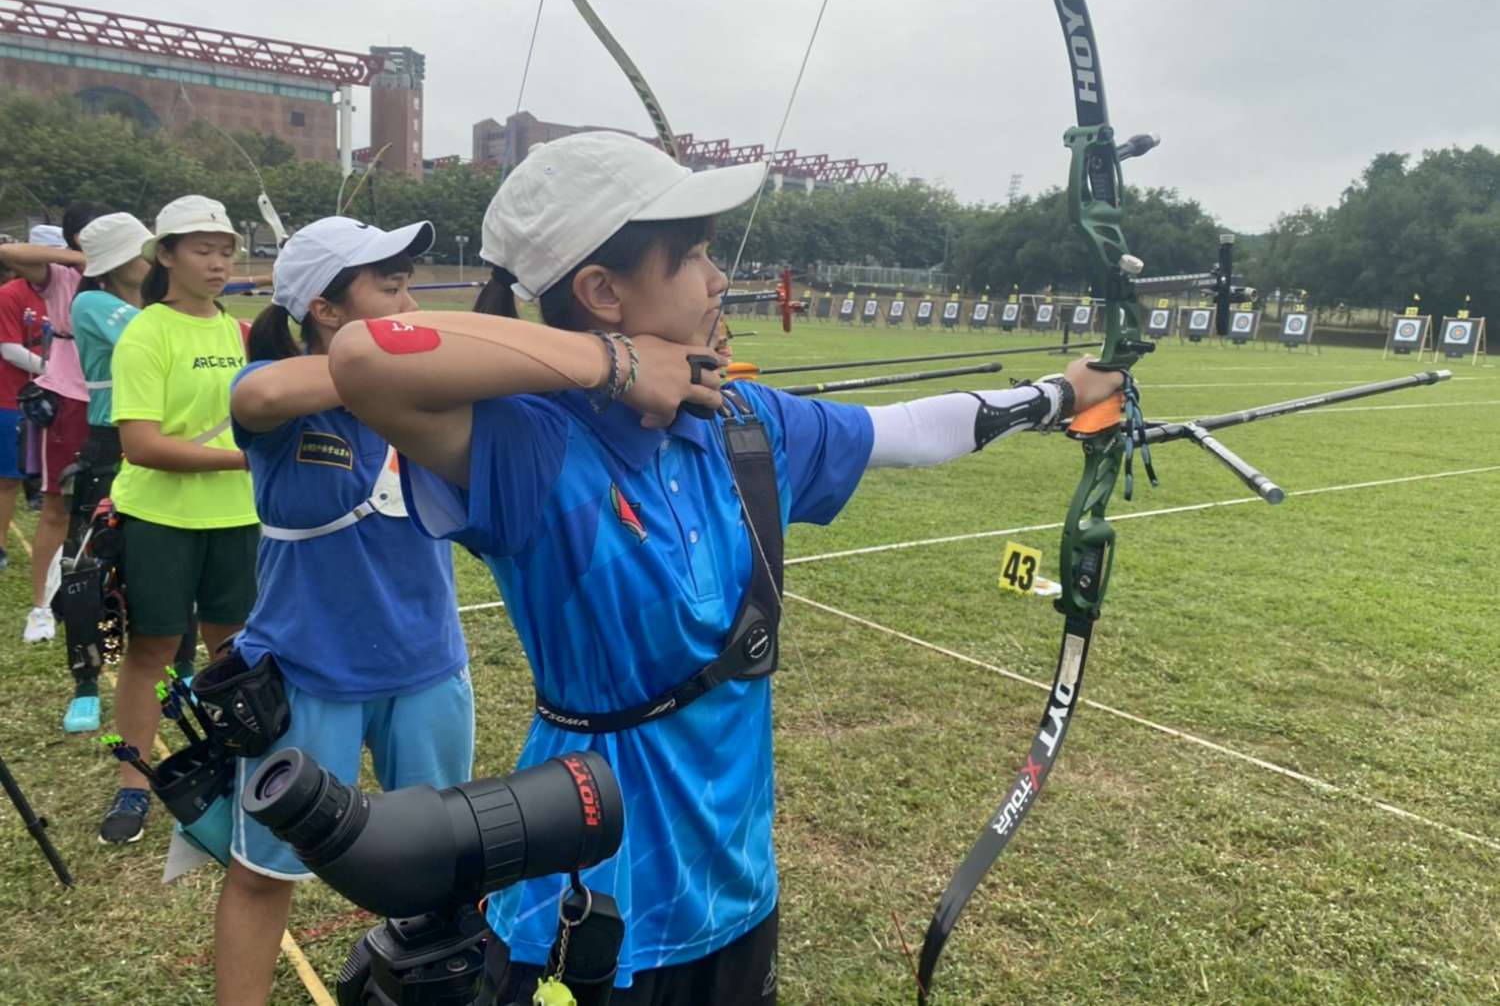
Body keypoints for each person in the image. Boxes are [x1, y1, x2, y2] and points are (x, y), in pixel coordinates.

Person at [327, 131, 1124, 1002]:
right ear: (600, 291)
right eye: (694, 255)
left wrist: (1061, 395)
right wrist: (615, 363)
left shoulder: (745, 420)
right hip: (596, 901)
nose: (718, 279)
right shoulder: (530, 443)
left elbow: (908, 431)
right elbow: (365, 358)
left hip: (737, 884)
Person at [211, 215, 474, 1006]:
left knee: (444, 864)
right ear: (325, 310)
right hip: (306, 673)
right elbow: (258, 390)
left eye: (406, 283)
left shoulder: (423, 399)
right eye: (388, 286)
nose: (409, 300)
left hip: (426, 667)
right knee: (266, 874)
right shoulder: (282, 400)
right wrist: (397, 361)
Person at [101, 195, 259, 845]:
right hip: (161, 516)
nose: (218, 262)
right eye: (202, 249)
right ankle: (133, 783)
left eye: (225, 250)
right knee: (153, 650)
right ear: (165, 255)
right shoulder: (147, 332)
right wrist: (240, 459)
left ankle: (233, 765)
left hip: (235, 517)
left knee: (230, 651)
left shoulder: (237, 331)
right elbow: (140, 444)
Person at [58, 212, 196, 733]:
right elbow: (158, 338)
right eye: (146, 252)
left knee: (177, 562)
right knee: (90, 571)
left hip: (163, 440)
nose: (153, 259)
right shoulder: (93, 303)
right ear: (120, 263)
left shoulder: (154, 307)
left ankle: (182, 672)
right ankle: (87, 682)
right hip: (110, 447)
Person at [0, 207, 104, 644]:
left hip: (117, 398)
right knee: (57, 507)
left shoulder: (130, 276)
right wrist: (81, 258)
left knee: (116, 510)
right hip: (67, 399)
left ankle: (105, 596)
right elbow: (8, 250)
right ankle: (41, 607)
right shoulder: (61, 276)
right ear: (78, 238)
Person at [0, 243, 50, 574]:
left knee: (49, 478)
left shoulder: (67, 294)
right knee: (7, 479)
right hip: (10, 398)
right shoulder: (10, 294)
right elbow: (9, 349)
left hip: (51, 399)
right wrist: (55, 370)